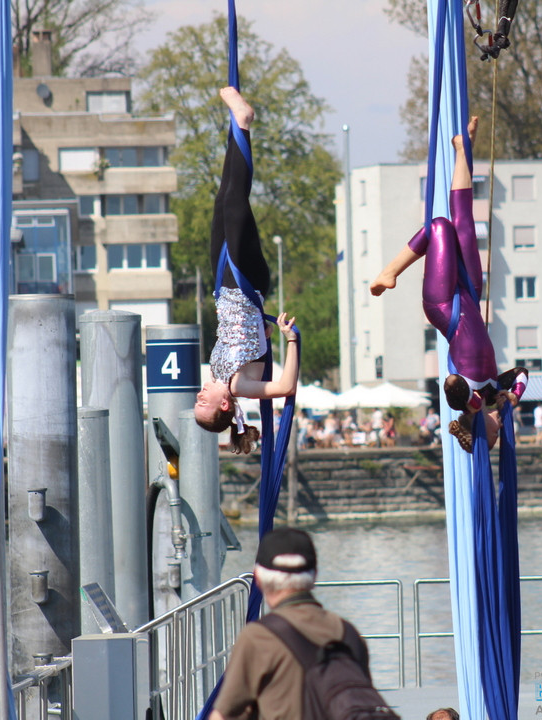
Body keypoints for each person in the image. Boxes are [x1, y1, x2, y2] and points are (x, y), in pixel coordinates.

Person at [371, 117, 528, 453]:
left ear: (481, 431)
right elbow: (522, 372)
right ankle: (462, 149)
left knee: (440, 226)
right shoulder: (493, 394)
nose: (500, 429)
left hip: (446, 309)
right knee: (465, 224)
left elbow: (452, 382)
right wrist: (511, 396)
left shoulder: (469, 403)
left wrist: (475, 404)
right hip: (471, 296)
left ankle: (390, 271)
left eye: (495, 434)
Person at [195, 87, 299, 453]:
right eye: (203, 401)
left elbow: (247, 342)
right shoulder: (241, 388)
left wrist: (263, 338)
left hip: (224, 287)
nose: (200, 393)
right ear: (224, 405)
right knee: (236, 205)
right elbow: (285, 388)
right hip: (246, 283)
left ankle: (237, 130)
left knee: (223, 200)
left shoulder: (220, 375)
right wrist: (290, 340)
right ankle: (243, 122)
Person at [209, 527, 371, 720]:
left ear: (258, 579)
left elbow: (225, 714)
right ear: (314, 576)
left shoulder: (258, 637)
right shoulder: (349, 633)